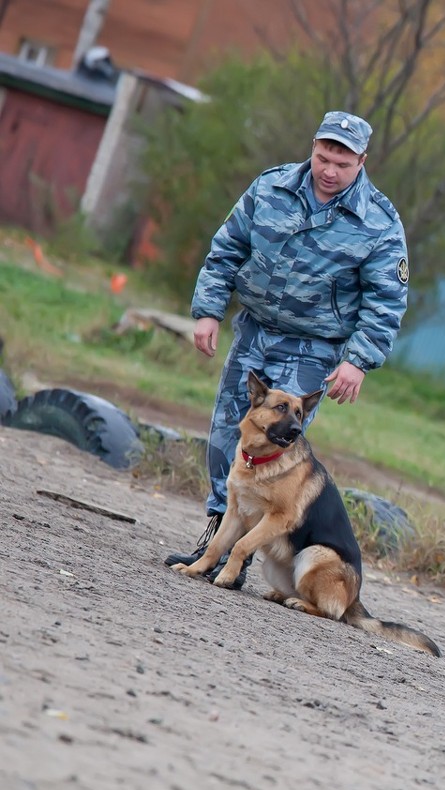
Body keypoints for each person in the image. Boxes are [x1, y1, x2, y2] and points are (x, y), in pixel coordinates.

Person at [163, 111, 410, 588]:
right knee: (225, 439)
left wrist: (358, 360)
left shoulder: (379, 221)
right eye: (322, 158)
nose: (329, 171)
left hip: (313, 348)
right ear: (313, 148)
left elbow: (387, 300)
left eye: (342, 162)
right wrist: (208, 310)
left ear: (362, 160)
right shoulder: (272, 186)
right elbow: (228, 247)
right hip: (255, 331)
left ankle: (241, 558)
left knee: (277, 445)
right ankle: (214, 537)